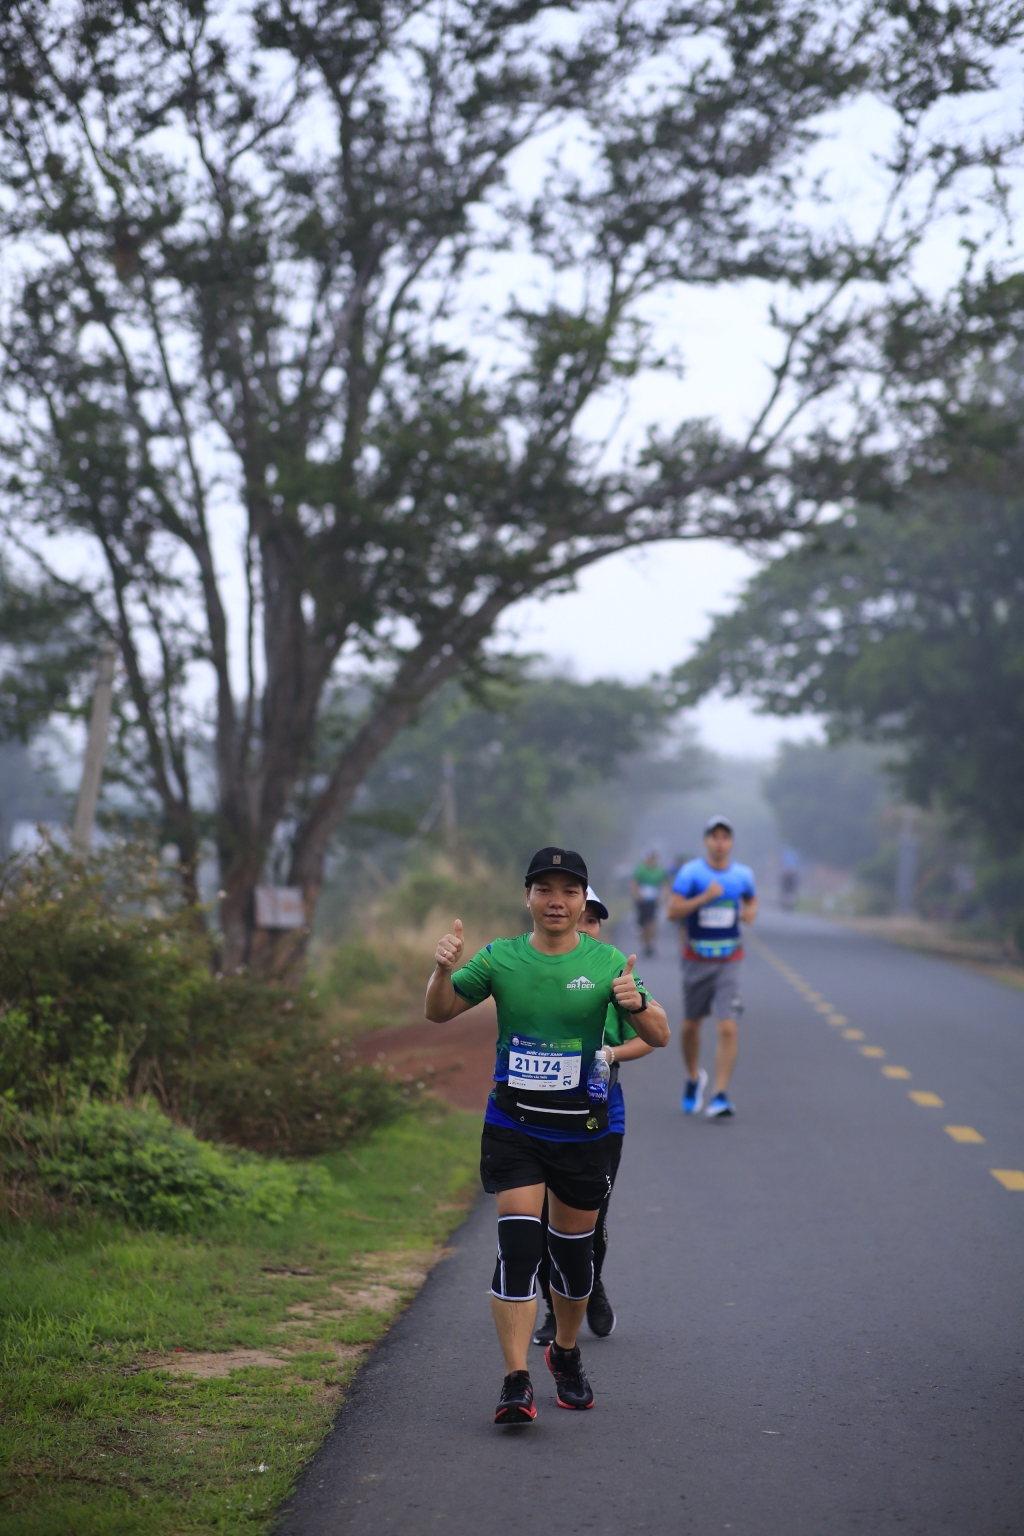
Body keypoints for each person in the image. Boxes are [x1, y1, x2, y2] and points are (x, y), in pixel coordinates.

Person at [425, 848, 670, 1425]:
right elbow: (438, 1013)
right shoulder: (500, 957)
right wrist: (440, 970)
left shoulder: (609, 961)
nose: (556, 900)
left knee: (575, 1261)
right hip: (514, 1125)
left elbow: (658, 1034)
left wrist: (634, 1004)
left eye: (568, 890)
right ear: (528, 897)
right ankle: (515, 1380)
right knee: (517, 1248)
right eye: (544, 889)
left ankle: (564, 1350)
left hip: (582, 1132)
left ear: (584, 899)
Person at [532, 886, 655, 1346]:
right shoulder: (536, 972)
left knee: (591, 1218)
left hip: (603, 1113)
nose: (585, 928)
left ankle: (590, 1285)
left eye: (593, 921)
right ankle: (552, 1308)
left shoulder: (613, 977)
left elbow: (647, 1036)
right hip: (539, 1115)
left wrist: (609, 1052)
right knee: (544, 1216)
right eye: (581, 919)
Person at [666, 817, 758, 1118]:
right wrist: (705, 897)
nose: (720, 842)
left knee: (727, 1026)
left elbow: (752, 903)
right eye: (714, 836)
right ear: (707, 841)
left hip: (730, 958)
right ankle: (694, 1077)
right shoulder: (691, 873)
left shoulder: (743, 875)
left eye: (725, 837)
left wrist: (748, 913)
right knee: (691, 1025)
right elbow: (672, 910)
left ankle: (719, 1094)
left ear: (731, 843)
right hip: (696, 958)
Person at [630, 850, 668, 957]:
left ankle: (650, 945)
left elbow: (664, 884)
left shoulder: (659, 870)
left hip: (653, 902)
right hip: (642, 902)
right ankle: (645, 945)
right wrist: (638, 895)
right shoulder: (641, 869)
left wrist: (663, 897)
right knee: (642, 925)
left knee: (651, 923)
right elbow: (634, 883)